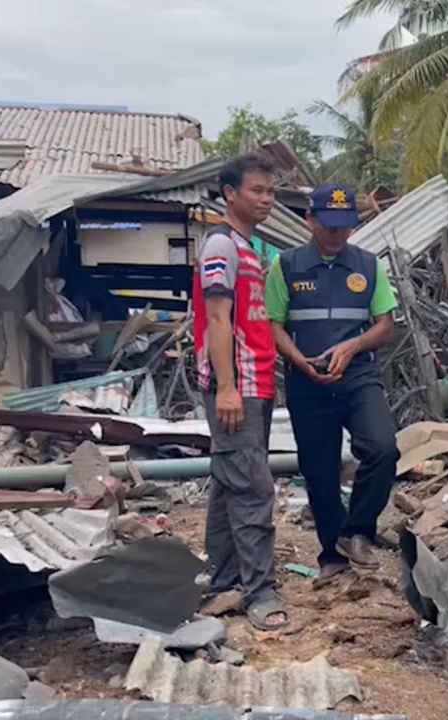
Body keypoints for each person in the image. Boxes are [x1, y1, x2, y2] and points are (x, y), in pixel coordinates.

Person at [265, 182, 401, 585]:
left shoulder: (368, 265)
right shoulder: (285, 266)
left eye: (345, 226)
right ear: (309, 219)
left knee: (383, 447)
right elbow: (273, 324)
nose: (337, 233)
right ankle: (331, 556)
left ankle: (356, 532)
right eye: (329, 225)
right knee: (319, 471)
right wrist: (298, 360)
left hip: (358, 376)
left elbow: (385, 324)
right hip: (307, 380)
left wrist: (353, 345)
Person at [193, 152, 290, 632]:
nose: (267, 199)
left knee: (230, 483)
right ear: (230, 193)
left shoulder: (251, 247)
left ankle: (223, 581)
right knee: (253, 487)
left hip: (256, 382)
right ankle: (260, 594)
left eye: (270, 191)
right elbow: (215, 318)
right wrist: (227, 387)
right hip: (237, 386)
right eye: (258, 190)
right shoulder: (221, 246)